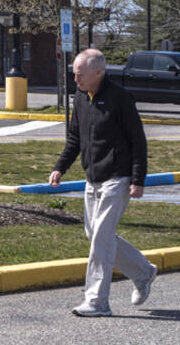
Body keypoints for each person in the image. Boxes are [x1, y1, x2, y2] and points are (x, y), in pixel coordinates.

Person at [48, 47, 157, 317]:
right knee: (95, 235)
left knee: (100, 238)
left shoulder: (120, 99)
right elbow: (75, 137)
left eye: (80, 75)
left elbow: (137, 141)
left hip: (117, 177)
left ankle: (97, 301)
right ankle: (143, 272)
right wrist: (60, 167)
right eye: (74, 75)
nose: (76, 80)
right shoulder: (81, 98)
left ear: (98, 72)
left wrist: (137, 179)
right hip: (92, 178)